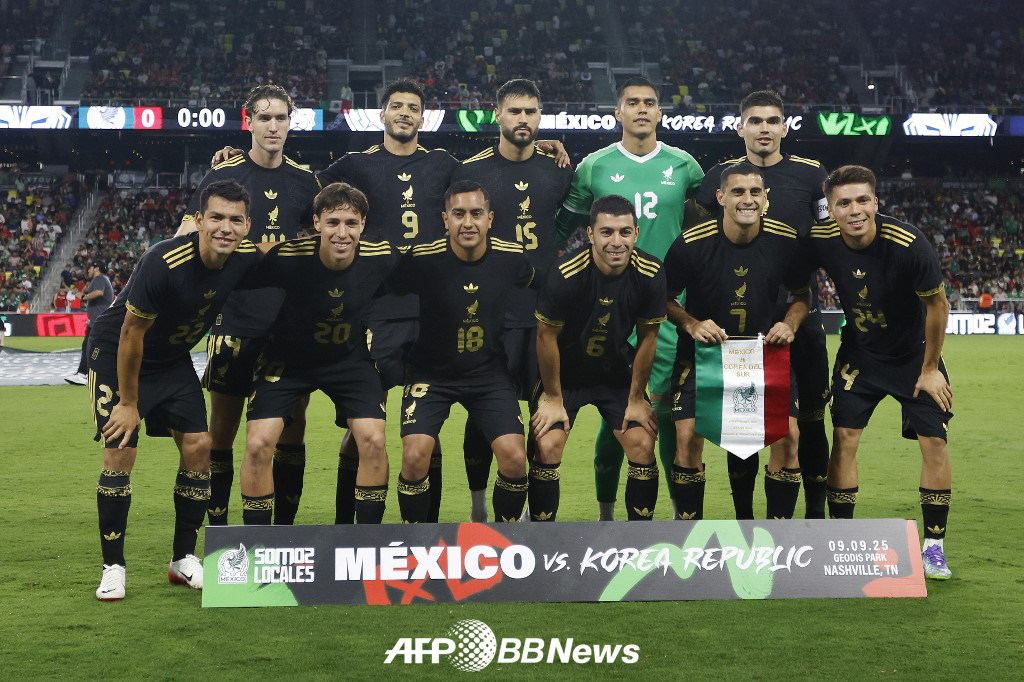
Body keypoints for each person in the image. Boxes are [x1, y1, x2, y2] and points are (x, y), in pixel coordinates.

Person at [88, 180, 261, 600]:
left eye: (235, 219)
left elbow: (281, 255)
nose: (225, 227)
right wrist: (129, 403)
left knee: (200, 445)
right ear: (199, 220)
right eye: (216, 217)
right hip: (117, 352)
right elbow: (131, 333)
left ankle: (183, 559)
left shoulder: (244, 257)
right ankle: (113, 567)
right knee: (121, 450)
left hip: (171, 358)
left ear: (247, 225)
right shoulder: (163, 261)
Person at [555, 75, 704, 520]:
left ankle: (677, 518)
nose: (641, 109)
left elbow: (705, 223)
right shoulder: (593, 166)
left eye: (649, 102)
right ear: (617, 112)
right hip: (606, 310)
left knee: (664, 416)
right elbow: (561, 230)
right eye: (632, 102)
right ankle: (607, 516)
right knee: (616, 413)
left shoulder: (685, 167)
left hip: (666, 308)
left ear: (660, 113)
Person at [178, 84, 319, 527]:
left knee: (292, 426)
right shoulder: (225, 176)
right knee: (222, 430)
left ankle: (284, 532)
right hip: (234, 319)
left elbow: (318, 246)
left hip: (290, 325)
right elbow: (187, 233)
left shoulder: (306, 181)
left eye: (281, 118)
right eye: (264, 117)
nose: (273, 126)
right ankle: (219, 532)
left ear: (291, 123)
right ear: (249, 122)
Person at [805, 165, 954, 580]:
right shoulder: (820, 239)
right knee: (844, 438)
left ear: (876, 202)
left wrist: (930, 369)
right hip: (861, 354)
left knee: (934, 443)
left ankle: (934, 548)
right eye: (843, 203)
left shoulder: (909, 244)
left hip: (913, 358)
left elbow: (938, 306)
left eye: (862, 200)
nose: (854, 210)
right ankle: (839, 539)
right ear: (831, 209)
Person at [695, 89, 832, 519]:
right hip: (742, 321)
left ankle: (815, 516)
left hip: (799, 315)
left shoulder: (813, 175)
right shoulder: (719, 177)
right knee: (745, 428)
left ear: (784, 128)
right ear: (741, 128)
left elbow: (828, 233)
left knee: (810, 422)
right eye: (755, 121)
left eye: (772, 121)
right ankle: (745, 519)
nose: (764, 129)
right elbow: (703, 238)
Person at [451, 78, 574, 522]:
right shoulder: (471, 172)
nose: (523, 119)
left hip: (545, 315)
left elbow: (570, 218)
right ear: (498, 114)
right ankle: (478, 508)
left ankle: (536, 523)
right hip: (491, 314)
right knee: (482, 415)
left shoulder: (559, 168)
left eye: (531, 112)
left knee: (546, 415)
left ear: (540, 117)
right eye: (515, 111)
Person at [240, 183, 394, 524]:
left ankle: (365, 542)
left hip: (349, 360)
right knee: (258, 443)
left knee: (373, 439)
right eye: (333, 222)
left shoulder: (381, 256)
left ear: (363, 225)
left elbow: (428, 269)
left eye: (351, 223)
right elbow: (238, 260)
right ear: (316, 223)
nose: (342, 233)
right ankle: (259, 544)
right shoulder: (287, 256)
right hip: (287, 360)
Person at [663, 163, 810, 520]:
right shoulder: (691, 243)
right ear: (720, 197)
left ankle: (778, 534)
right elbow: (664, 298)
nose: (748, 199)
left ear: (766, 198)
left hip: (764, 355)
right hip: (704, 355)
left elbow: (802, 293)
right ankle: (691, 533)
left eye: (755, 192)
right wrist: (692, 324)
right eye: (738, 192)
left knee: (789, 436)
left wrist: (789, 323)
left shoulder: (786, 239)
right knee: (687, 437)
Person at [388, 180, 534, 523]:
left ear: (490, 219)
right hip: (430, 374)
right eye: (458, 214)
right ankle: (416, 540)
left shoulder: (513, 257)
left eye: (476, 213)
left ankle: (504, 539)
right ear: (445, 219)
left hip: (489, 374)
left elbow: (538, 290)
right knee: (414, 456)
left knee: (515, 458)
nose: (468, 222)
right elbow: (387, 292)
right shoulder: (422, 258)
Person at [531, 194, 666, 521]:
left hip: (616, 374)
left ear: (636, 233)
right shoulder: (565, 273)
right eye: (607, 232)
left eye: (624, 232)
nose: (616, 242)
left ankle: (638, 541)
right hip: (565, 377)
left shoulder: (650, 272)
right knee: (547, 445)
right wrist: (553, 398)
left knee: (643, 445)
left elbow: (648, 338)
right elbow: (546, 337)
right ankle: (538, 534)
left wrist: (637, 398)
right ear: (590, 234)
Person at [65, 263, 114, 385]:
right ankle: (88, 374)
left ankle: (83, 374)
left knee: (89, 346)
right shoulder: (103, 279)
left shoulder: (99, 278)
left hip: (99, 320)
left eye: (90, 268)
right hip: (98, 320)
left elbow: (99, 293)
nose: (88, 270)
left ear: (96, 268)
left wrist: (83, 297)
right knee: (93, 347)